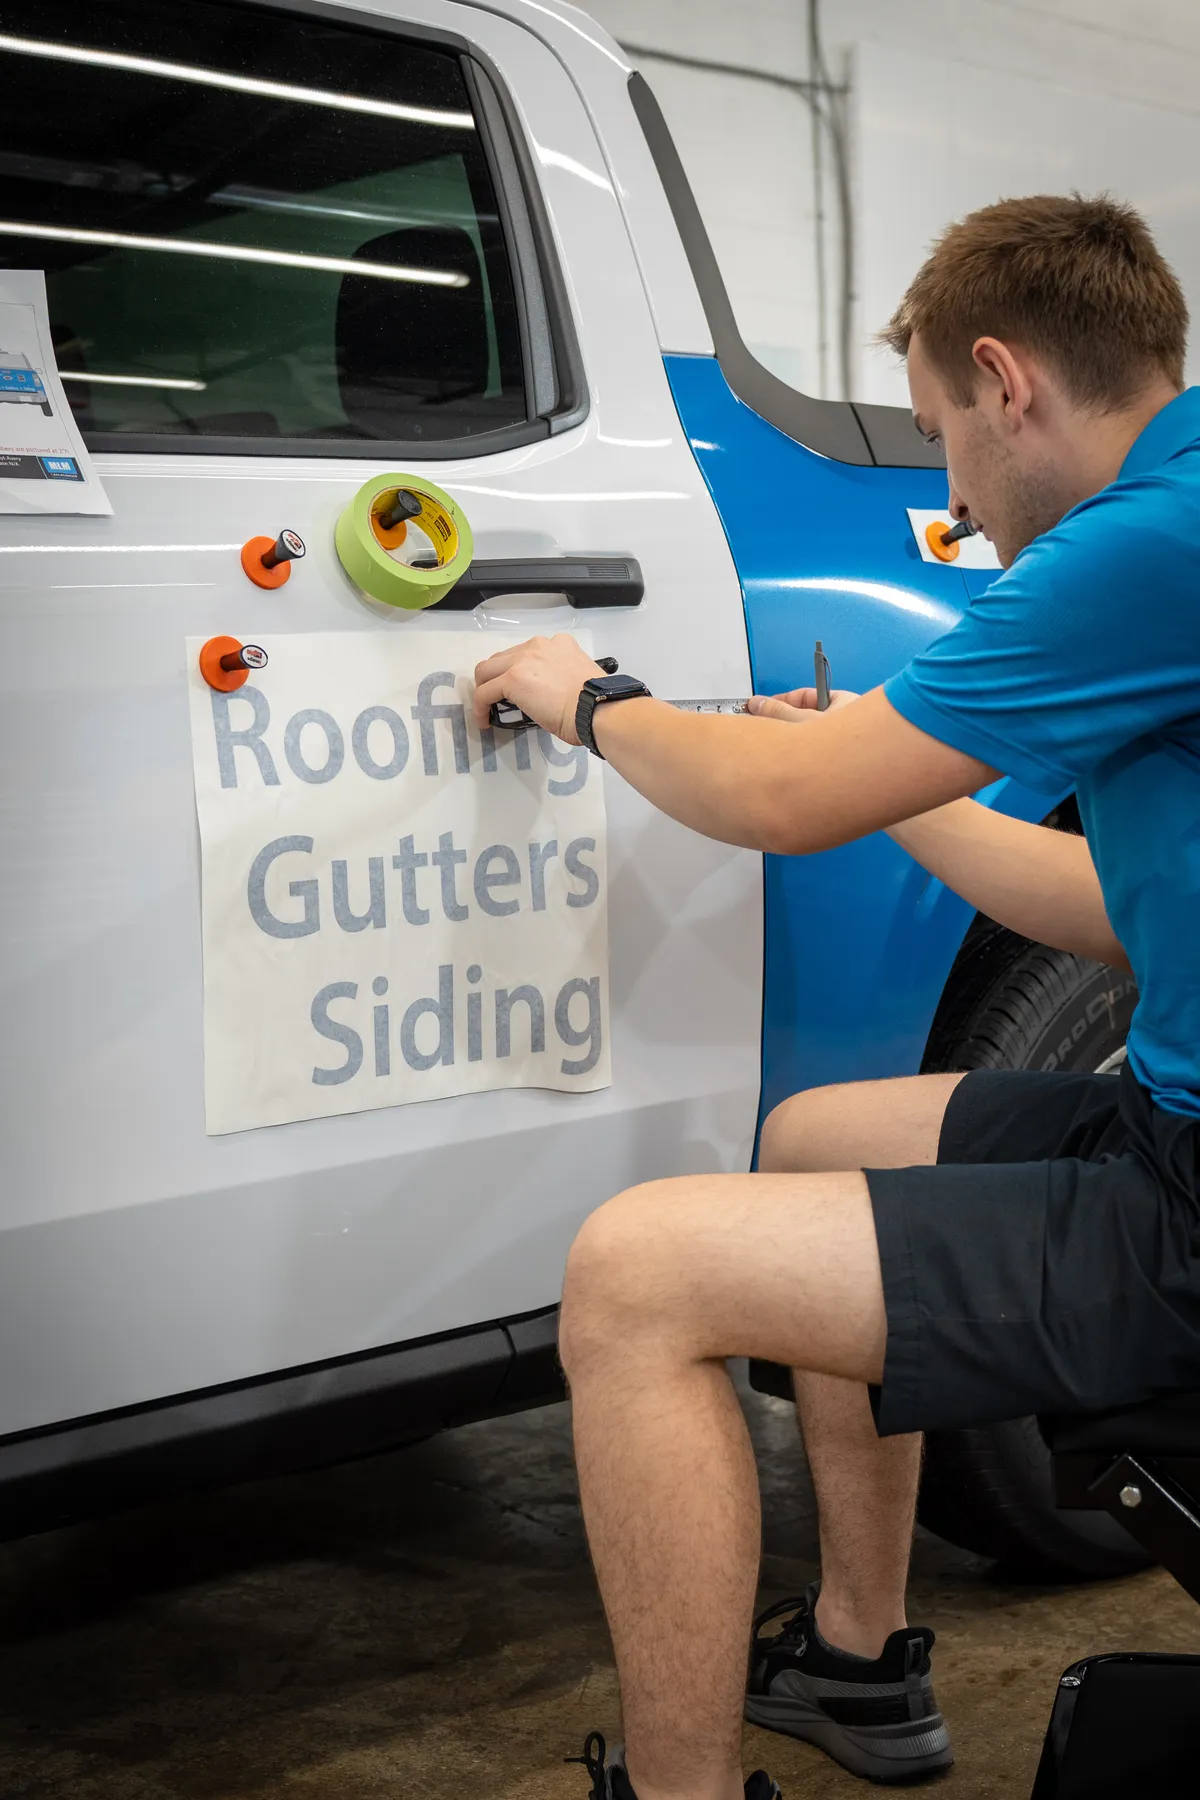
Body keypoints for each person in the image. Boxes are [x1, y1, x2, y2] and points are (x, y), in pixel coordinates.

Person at [471, 193, 1200, 1800]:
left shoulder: (1147, 546)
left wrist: (589, 699)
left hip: (1196, 1202)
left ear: (1007, 382)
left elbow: (777, 805)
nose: (948, 490)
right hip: (1169, 1116)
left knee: (636, 1278)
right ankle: (863, 1659)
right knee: (813, 1135)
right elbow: (1126, 919)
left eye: (944, 434)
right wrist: (902, 782)